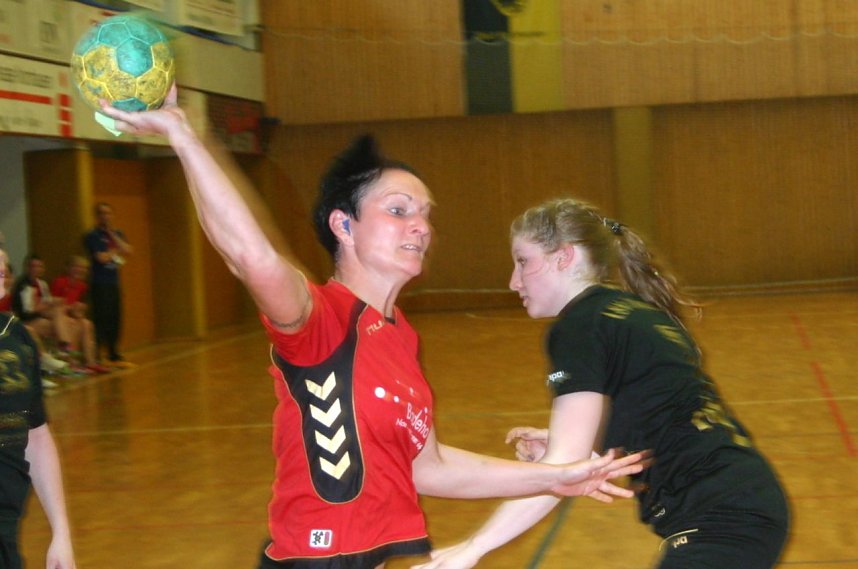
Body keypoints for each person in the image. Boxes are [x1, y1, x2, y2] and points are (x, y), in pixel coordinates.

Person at [97, 90, 649, 569]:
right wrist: (184, 138)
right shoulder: (320, 319)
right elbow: (252, 257)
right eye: (398, 209)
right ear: (344, 225)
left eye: (425, 213)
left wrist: (555, 476)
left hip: (376, 557)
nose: (421, 226)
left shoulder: (400, 336)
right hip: (318, 559)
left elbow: (430, 468)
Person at [415, 198, 790, 569]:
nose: (513, 281)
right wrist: (592, 450)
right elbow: (665, 416)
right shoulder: (633, 313)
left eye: (523, 261)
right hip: (741, 503)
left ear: (563, 257)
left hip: (722, 516)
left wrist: (474, 546)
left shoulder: (580, 324)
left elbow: (562, 468)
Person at [0, 247, 77, 569]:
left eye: (4, 269)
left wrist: (61, 531)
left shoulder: (17, 338)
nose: (3, 286)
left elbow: (37, 436)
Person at [83, 202, 132, 365]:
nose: (106, 216)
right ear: (97, 217)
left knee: (115, 317)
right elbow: (101, 258)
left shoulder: (117, 233)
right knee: (101, 318)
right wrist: (115, 252)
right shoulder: (93, 236)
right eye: (102, 213)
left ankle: (113, 351)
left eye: (108, 213)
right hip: (100, 283)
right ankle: (96, 353)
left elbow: (128, 250)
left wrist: (113, 237)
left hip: (114, 282)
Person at [10, 255, 72, 376]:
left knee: (61, 314)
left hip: (38, 316)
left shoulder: (42, 284)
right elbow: (27, 311)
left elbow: (45, 302)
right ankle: (66, 351)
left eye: (40, 266)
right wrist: (43, 307)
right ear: (28, 268)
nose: (37, 269)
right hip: (26, 320)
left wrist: (51, 303)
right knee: (55, 324)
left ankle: (65, 348)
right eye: (34, 266)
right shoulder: (23, 284)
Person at [50, 256, 110, 374]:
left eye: (84, 268)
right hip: (58, 315)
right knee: (71, 323)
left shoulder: (82, 286)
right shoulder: (60, 282)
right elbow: (54, 303)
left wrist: (79, 310)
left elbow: (80, 307)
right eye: (78, 267)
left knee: (87, 324)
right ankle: (70, 360)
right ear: (69, 268)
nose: (81, 270)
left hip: (70, 314)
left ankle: (91, 362)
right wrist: (71, 308)